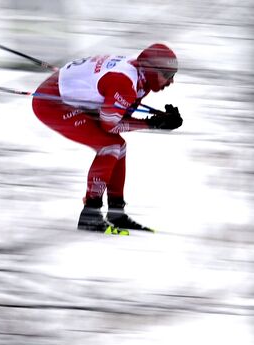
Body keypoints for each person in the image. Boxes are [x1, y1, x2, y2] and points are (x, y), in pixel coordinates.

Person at [32, 42, 183, 232]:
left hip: (70, 92)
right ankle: (90, 214)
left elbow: (121, 112)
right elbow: (110, 125)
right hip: (52, 104)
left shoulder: (140, 78)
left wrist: (158, 119)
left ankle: (116, 214)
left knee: (119, 146)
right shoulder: (125, 82)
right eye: (167, 76)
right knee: (110, 145)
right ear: (152, 71)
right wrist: (151, 123)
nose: (170, 82)